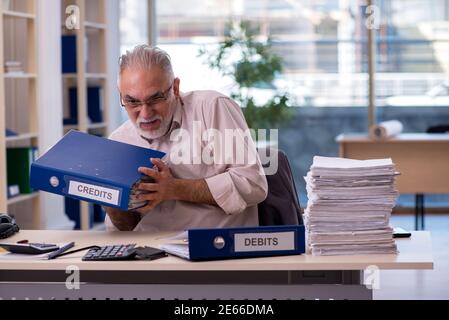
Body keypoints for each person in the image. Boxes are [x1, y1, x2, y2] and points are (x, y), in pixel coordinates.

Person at [104, 45, 268, 231]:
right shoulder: (119, 140)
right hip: (149, 253)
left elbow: (253, 185)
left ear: (175, 88)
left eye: (155, 99)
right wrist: (109, 199)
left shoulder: (211, 108)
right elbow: (124, 229)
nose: (145, 113)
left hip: (217, 249)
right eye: (132, 101)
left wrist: (174, 188)